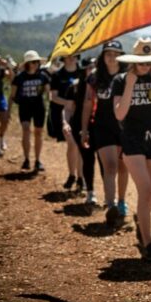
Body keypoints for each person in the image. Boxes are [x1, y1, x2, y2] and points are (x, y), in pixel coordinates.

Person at [114, 37, 151, 263]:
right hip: (132, 139)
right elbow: (119, 114)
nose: (144, 66)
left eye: (149, 62)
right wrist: (130, 84)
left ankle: (141, 221)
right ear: (133, 61)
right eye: (141, 62)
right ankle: (148, 243)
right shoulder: (121, 80)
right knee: (146, 190)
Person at [81, 41, 130, 223]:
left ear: (121, 55)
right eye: (108, 53)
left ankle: (122, 201)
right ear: (103, 56)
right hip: (102, 126)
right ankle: (111, 206)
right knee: (110, 166)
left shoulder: (127, 76)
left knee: (123, 165)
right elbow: (87, 104)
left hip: (124, 126)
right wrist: (84, 130)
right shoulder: (94, 76)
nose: (112, 57)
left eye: (116, 53)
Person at [64, 58, 99, 204]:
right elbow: (68, 108)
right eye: (88, 67)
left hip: (99, 124)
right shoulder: (75, 86)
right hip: (80, 125)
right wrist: (65, 123)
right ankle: (90, 191)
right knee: (88, 158)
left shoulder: (101, 84)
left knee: (103, 161)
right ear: (83, 70)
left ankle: (111, 198)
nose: (91, 70)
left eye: (94, 67)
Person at [10, 50, 51, 171]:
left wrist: (52, 104)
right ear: (27, 64)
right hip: (25, 107)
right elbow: (12, 94)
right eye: (31, 62)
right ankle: (26, 159)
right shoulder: (19, 78)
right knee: (26, 130)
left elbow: (49, 92)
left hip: (39, 107)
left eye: (36, 61)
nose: (34, 64)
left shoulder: (43, 76)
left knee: (38, 132)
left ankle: (37, 160)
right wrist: (9, 110)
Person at [49, 54, 85, 190]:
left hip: (83, 114)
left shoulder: (83, 72)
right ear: (63, 59)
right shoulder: (58, 75)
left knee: (81, 146)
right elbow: (53, 97)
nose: (71, 58)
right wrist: (70, 103)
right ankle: (72, 175)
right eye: (68, 56)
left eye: (74, 56)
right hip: (66, 114)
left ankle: (81, 178)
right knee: (72, 144)